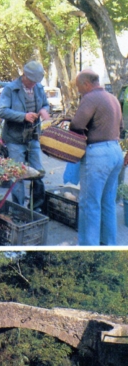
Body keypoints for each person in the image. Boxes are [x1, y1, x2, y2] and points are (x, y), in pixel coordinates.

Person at [69, 69, 124, 245]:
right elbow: (121, 127)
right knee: (108, 203)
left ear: (86, 84)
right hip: (115, 151)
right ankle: (109, 244)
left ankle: (88, 246)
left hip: (98, 153)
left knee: (89, 204)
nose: (78, 91)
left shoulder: (90, 98)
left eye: (78, 87)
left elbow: (76, 124)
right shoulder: (113, 98)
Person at [0, 60, 51, 206]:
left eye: (36, 81)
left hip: (33, 137)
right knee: (17, 174)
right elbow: (1, 111)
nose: (34, 84)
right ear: (24, 75)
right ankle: (19, 207)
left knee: (38, 172)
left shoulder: (39, 88)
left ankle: (37, 206)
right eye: (31, 81)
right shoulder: (10, 89)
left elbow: (45, 104)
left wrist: (44, 110)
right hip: (15, 138)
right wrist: (23, 116)